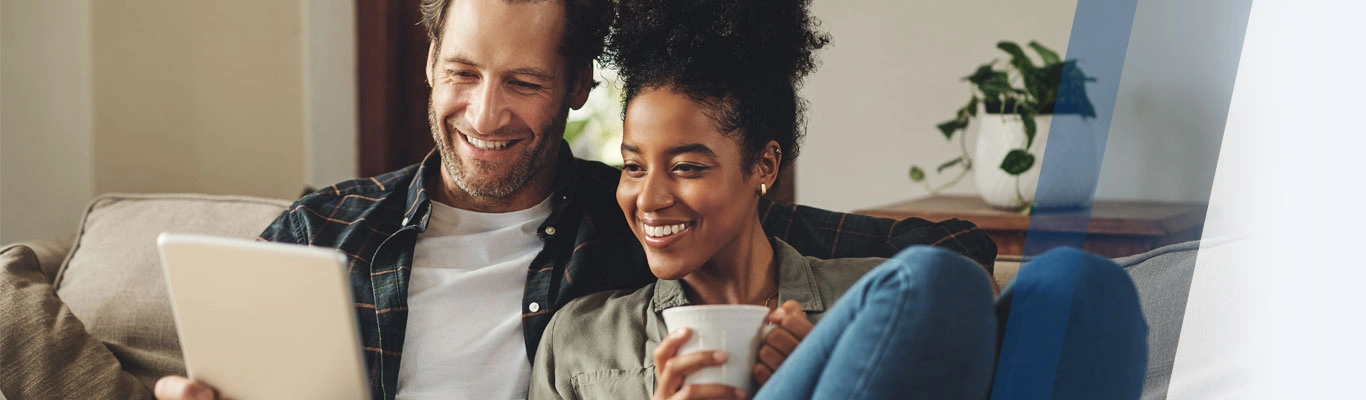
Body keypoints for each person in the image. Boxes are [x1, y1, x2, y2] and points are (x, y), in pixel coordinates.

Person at [153, 0, 997, 399]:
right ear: (428, 59)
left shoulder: (637, 216)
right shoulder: (323, 231)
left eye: (522, 83)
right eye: (463, 74)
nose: (485, 115)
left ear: (576, 88)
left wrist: (821, 345)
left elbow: (947, 261)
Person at [528, 0, 1148, 399]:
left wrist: (829, 367)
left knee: (1081, 287)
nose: (649, 197)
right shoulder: (579, 340)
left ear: (764, 166)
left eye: (687, 166)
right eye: (632, 166)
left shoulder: (867, 300)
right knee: (932, 281)